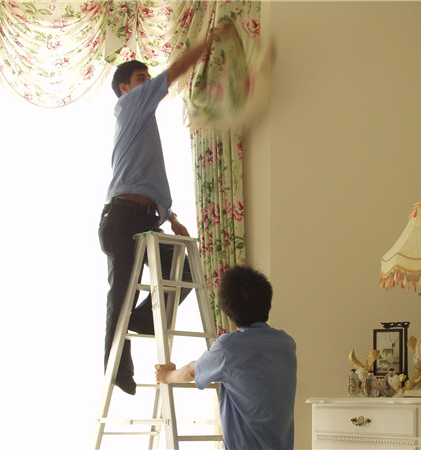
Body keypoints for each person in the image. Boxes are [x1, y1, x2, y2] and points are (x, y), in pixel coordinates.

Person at [98, 27, 234, 396]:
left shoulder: (143, 122)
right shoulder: (130, 104)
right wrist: (207, 42)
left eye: (146, 78)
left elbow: (149, 176)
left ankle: (144, 319)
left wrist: (171, 218)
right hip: (122, 217)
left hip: (145, 219)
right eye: (140, 78)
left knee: (184, 268)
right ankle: (117, 370)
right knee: (121, 294)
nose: (147, 83)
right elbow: (173, 72)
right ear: (126, 87)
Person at [155, 265, 297, 450]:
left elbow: (192, 371)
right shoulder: (286, 344)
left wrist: (167, 376)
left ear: (228, 312)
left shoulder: (229, 347)